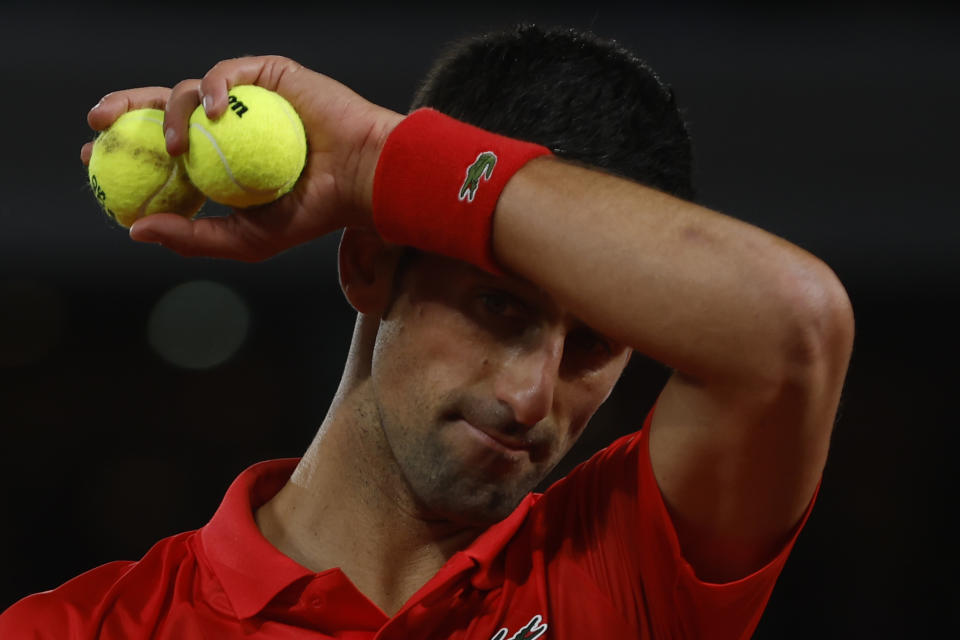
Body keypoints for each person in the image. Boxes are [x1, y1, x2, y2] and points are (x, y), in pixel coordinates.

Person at [0, 25, 854, 639]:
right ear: (371, 265)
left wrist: (376, 159)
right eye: (499, 307)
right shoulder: (77, 630)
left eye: (593, 344)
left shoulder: (625, 572)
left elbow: (793, 324)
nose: (531, 396)